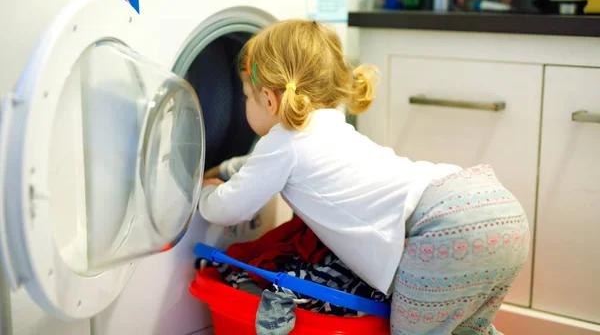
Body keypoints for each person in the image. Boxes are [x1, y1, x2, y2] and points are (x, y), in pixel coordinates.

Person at [199, 20, 529, 335]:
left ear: (269, 99)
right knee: (468, 330)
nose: (245, 103)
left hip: (442, 230)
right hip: (492, 207)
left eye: (246, 95)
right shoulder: (329, 126)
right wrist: (227, 169)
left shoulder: (282, 141)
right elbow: (259, 166)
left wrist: (204, 192)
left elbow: (228, 209)